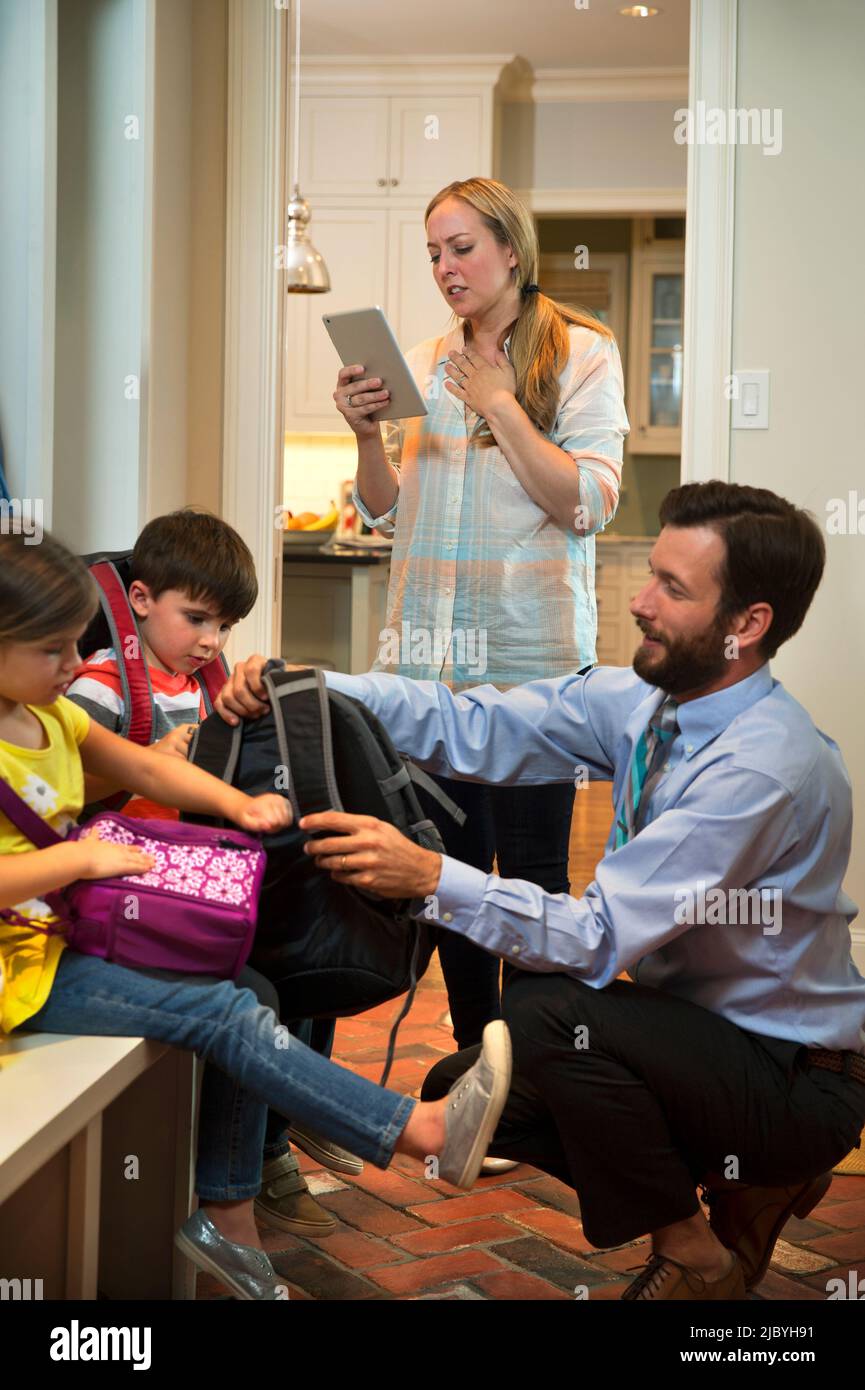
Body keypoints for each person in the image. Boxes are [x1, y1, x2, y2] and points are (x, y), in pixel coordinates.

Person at [217, 480, 865, 1302]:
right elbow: (471, 724)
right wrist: (314, 688)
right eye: (650, 575)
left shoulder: (761, 767)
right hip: (706, 1041)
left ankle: (696, 1250)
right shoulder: (645, 703)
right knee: (466, 1091)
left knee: (547, 1012)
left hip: (795, 1076)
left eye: (672, 588)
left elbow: (595, 938)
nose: (639, 601)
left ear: (748, 624)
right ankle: (744, 1184)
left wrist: (430, 877)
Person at [0, 529, 512, 1301]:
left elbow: (145, 767)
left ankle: (228, 1215)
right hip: (20, 980)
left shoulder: (55, 720)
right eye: (53, 650)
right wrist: (78, 861)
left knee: (252, 984)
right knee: (225, 1013)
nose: (76, 663)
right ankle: (417, 1130)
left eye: (77, 643)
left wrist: (239, 804)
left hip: (64, 942)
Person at [332, 177, 629, 1060]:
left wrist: (500, 400)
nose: (445, 268)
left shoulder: (581, 354)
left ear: (510, 249)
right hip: (428, 666)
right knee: (449, 878)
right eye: (433, 254)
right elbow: (388, 514)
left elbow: (587, 504)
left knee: (533, 874)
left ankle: (534, 1070)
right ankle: (474, 1063)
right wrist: (365, 437)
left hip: (532, 664)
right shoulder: (422, 359)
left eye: (461, 248)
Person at [65, 508, 352, 1238]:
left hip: (189, 887)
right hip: (125, 897)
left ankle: (278, 1129)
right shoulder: (102, 688)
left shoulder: (206, 683)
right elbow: (57, 800)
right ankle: (240, 1178)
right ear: (139, 600)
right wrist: (147, 765)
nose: (210, 642)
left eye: (224, 627)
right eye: (196, 619)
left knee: (311, 957)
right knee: (258, 989)